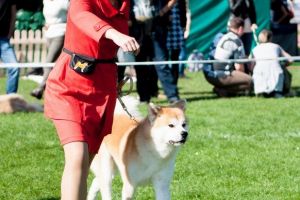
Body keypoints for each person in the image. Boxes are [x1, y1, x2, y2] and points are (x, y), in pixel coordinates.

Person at [44, 0, 140, 199]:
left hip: (102, 91)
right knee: (77, 156)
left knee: (84, 164)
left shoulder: (124, 5)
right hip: (68, 87)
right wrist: (115, 34)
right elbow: (82, 17)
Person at [203, 17, 252, 97]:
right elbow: (239, 67)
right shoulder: (236, 40)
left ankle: (221, 87)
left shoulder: (221, 36)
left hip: (209, 74)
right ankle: (224, 90)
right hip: (222, 74)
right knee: (250, 82)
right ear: (240, 29)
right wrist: (245, 77)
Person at [30, 0, 69, 99]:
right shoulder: (46, 1)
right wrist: (46, 23)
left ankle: (40, 89)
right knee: (55, 65)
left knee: (48, 63)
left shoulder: (64, 1)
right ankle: (55, 90)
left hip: (61, 32)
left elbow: (71, 14)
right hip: (49, 33)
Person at [151, 0, 180, 103]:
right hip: (140, 27)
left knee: (161, 63)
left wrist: (163, 11)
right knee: (144, 64)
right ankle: (145, 96)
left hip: (158, 26)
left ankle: (172, 96)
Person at [250, 29, 293, 98]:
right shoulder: (276, 46)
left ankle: (260, 91)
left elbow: (251, 67)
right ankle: (282, 91)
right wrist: (283, 65)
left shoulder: (255, 49)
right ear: (270, 38)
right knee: (283, 69)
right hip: (276, 78)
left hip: (259, 78)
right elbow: (290, 60)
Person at [0, 0, 20, 94]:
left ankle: (11, 97)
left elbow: (13, 14)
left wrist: (10, 33)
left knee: (14, 67)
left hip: (4, 40)